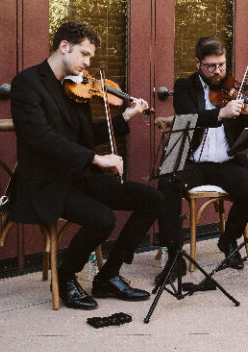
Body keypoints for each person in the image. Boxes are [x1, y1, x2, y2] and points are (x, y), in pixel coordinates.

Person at [10, 21, 161, 310]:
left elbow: (85, 135)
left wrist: (126, 117)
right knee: (102, 218)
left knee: (152, 199)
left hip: (79, 176)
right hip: (47, 182)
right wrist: (95, 158)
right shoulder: (27, 84)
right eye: (85, 54)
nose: (88, 63)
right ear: (64, 47)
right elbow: (40, 137)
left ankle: (108, 275)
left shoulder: (75, 85)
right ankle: (65, 278)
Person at [156, 36, 248, 282]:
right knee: (166, 184)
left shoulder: (235, 89)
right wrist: (220, 113)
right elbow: (188, 116)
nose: (218, 71)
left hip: (225, 163)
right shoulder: (184, 87)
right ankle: (174, 259)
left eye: (221, 65)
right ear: (197, 63)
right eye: (211, 66)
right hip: (193, 162)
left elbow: (245, 124)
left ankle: (228, 238)